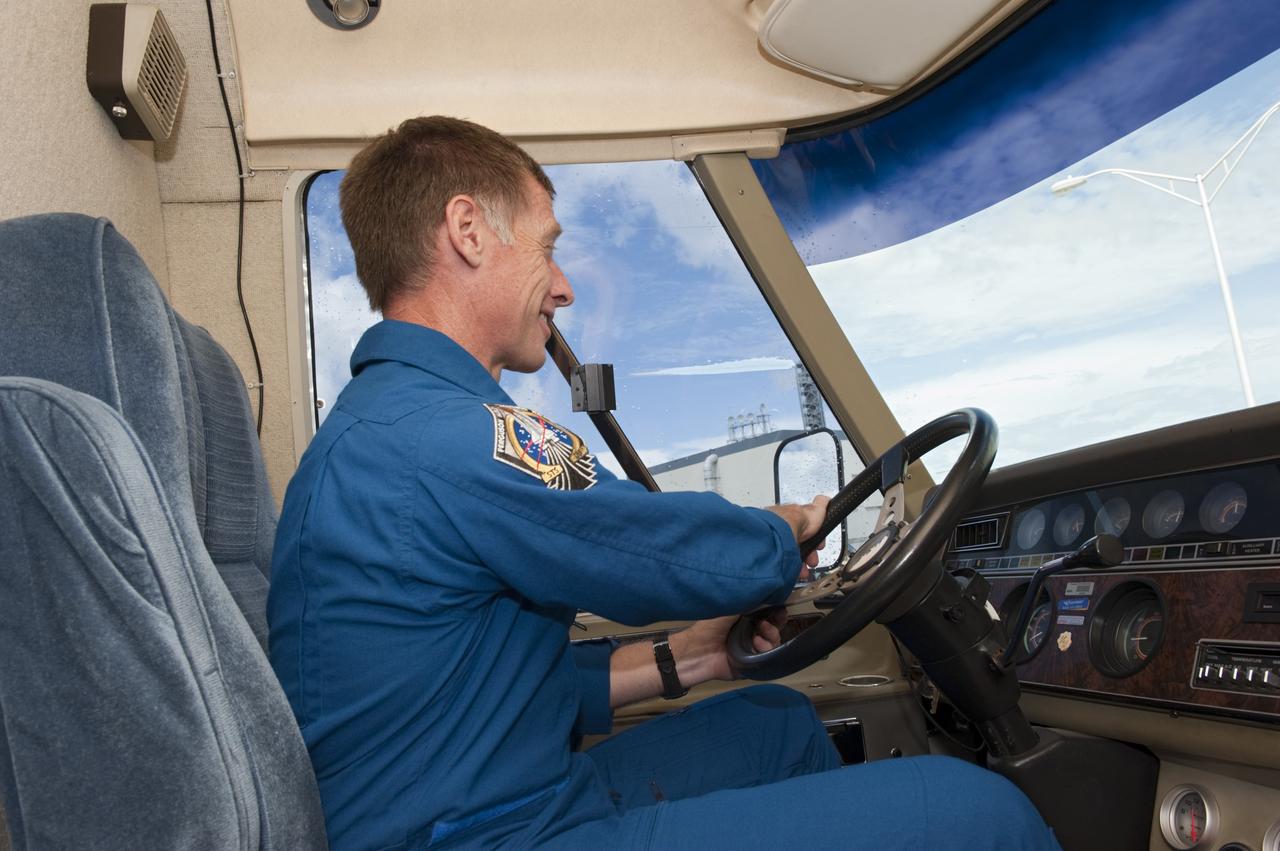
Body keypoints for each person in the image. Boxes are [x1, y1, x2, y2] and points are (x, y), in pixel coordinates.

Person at [267, 116, 1060, 850]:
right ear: (468, 231)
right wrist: (785, 532)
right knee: (984, 813)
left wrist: (698, 653)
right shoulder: (441, 434)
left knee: (774, 723)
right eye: (547, 248)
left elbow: (477, 689)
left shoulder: (382, 430)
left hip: (489, 797)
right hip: (487, 833)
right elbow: (641, 544)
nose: (565, 285)